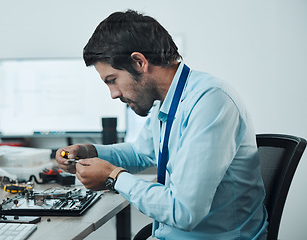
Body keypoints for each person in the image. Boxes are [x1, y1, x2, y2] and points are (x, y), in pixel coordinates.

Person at [56, 10, 268, 239]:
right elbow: (141, 153)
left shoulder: (210, 101)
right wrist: (91, 151)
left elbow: (184, 212)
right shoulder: (168, 103)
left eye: (112, 80)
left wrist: (114, 177)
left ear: (139, 62)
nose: (113, 94)